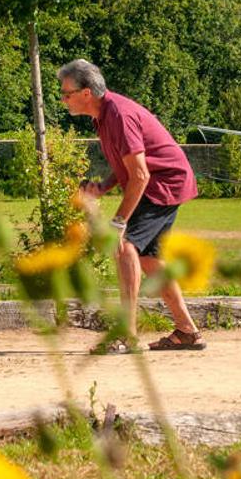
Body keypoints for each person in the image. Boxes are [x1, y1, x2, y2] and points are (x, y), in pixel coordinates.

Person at [57, 59, 205, 353]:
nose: (63, 99)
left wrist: (119, 222)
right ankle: (187, 332)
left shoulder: (119, 115)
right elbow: (128, 163)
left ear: (86, 93)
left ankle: (127, 335)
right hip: (164, 181)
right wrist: (103, 187)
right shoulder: (104, 116)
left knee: (124, 246)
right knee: (149, 259)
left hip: (162, 183)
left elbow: (140, 175)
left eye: (66, 93)